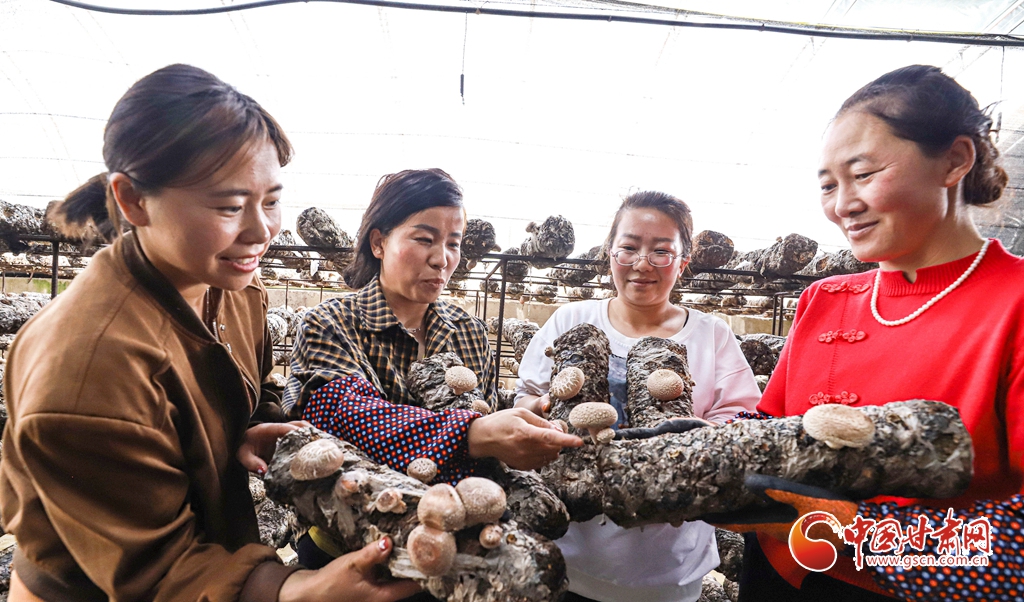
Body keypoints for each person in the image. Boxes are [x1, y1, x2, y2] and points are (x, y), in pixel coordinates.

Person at [0, 64, 421, 602]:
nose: (262, 230)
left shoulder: (234, 289)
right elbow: (155, 572)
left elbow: (248, 388)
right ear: (131, 200)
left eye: (270, 200)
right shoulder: (90, 368)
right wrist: (301, 591)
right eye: (228, 206)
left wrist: (243, 431)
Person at [727, 65, 1024, 601]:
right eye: (827, 186)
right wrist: (704, 444)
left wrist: (855, 532)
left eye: (863, 174)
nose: (842, 205)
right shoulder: (825, 298)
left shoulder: (1015, 304)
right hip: (778, 571)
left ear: (955, 160)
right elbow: (772, 429)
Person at [283, 168, 582, 570]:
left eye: (453, 244)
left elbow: (485, 426)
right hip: (348, 556)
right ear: (379, 241)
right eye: (424, 239)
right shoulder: (328, 323)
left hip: (448, 553)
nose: (442, 259)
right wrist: (472, 434)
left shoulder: (470, 333)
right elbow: (341, 421)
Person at [515, 191, 762, 602]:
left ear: (683, 263)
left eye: (662, 251)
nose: (642, 264)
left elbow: (742, 424)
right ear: (610, 252)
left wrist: (693, 440)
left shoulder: (711, 334)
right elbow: (525, 399)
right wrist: (542, 415)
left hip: (667, 571)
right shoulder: (572, 320)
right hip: (568, 558)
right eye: (628, 247)